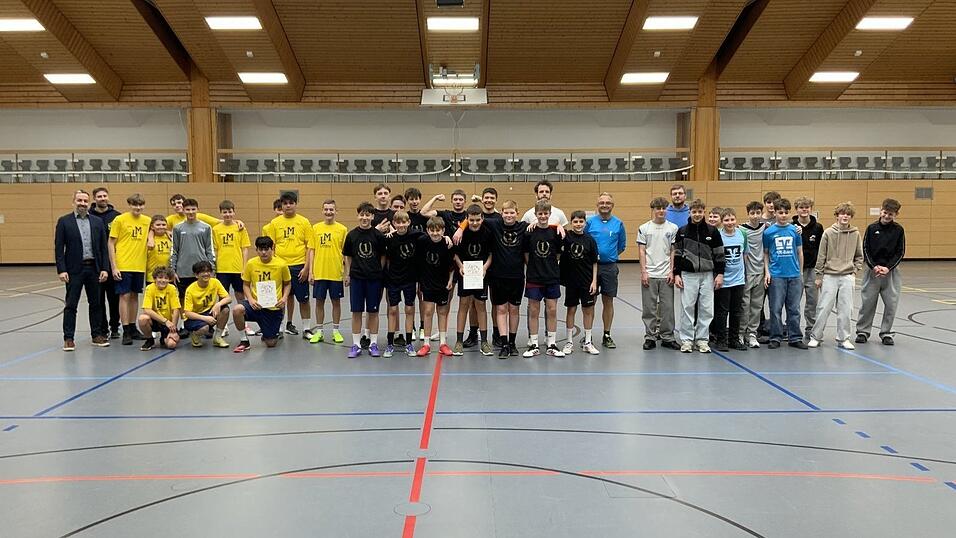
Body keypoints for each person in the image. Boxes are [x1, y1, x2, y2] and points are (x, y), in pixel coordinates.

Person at [55, 189, 110, 351]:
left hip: (94, 268)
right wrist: (61, 269)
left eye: (85, 201)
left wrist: (105, 269)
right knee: (71, 305)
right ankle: (69, 338)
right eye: (79, 200)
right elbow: (59, 248)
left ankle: (97, 335)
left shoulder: (97, 222)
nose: (82, 204)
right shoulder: (64, 221)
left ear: (89, 202)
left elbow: (103, 248)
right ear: (73, 202)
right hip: (73, 270)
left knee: (96, 304)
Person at [808, 202, 864, 349]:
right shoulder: (828, 233)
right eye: (842, 213)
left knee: (846, 309)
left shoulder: (855, 234)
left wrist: (854, 271)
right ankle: (816, 337)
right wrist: (819, 276)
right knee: (824, 307)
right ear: (837, 216)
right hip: (829, 276)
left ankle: (844, 338)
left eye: (848, 214)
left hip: (847, 276)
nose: (845, 216)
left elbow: (859, 255)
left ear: (851, 217)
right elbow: (821, 256)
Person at [673, 199, 724, 353]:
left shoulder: (712, 231)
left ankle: (702, 340)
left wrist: (720, 274)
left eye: (700, 212)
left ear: (704, 212)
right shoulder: (682, 231)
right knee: (687, 307)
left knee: (707, 309)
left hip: (707, 275)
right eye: (694, 212)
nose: (697, 214)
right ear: (690, 212)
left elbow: (720, 254)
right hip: (688, 275)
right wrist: (676, 274)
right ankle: (687, 340)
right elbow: (677, 254)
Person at [856, 198, 906, 345]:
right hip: (872, 271)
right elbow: (865, 249)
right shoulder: (872, 228)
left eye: (890, 214)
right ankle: (863, 331)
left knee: (891, 304)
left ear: (896, 214)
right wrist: (874, 266)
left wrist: (888, 268)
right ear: (881, 210)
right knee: (868, 303)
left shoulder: (898, 230)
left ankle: (886, 333)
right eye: (885, 213)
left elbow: (900, 252)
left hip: (891, 272)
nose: (886, 216)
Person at [343, 202, 388, 358]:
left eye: (367, 215)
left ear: (372, 217)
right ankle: (355, 345)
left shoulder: (379, 236)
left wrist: (378, 271)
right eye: (362, 214)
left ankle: (373, 343)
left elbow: (383, 256)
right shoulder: (351, 235)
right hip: (357, 279)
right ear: (358, 216)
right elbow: (347, 256)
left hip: (374, 279)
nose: (364, 217)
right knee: (356, 311)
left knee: (373, 311)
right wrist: (348, 274)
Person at [266, 191, 314, 337]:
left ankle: (306, 328)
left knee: (303, 299)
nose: (288, 206)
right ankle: (279, 328)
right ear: (281, 205)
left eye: (291, 203)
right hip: (280, 266)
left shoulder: (304, 222)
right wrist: (274, 266)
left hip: (299, 266)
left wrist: (306, 268)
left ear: (295, 204)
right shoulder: (274, 223)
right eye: (285, 203)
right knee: (280, 299)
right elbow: (271, 247)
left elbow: (310, 246)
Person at [233, 236, 292, 352]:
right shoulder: (251, 263)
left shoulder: (281, 264)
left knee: (271, 343)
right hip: (256, 305)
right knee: (237, 309)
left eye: (266, 249)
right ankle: (244, 340)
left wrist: (284, 298)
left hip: (272, 308)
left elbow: (287, 283)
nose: (264, 252)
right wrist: (250, 300)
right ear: (257, 250)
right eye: (261, 249)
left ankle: (266, 330)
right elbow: (245, 284)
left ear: (272, 249)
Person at [763, 198, 807, 350]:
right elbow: (766, 254)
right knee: (775, 308)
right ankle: (775, 337)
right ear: (774, 213)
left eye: (786, 212)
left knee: (794, 308)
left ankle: (795, 337)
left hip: (794, 275)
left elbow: (800, 252)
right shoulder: (768, 232)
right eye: (780, 212)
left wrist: (800, 273)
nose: (783, 215)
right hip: (777, 276)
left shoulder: (795, 230)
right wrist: (767, 272)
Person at [585, 192, 627, 349]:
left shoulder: (618, 224)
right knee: (590, 302)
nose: (604, 205)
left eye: (607, 202)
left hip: (609, 267)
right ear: (597, 205)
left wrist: (609, 255)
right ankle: (588, 336)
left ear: (612, 205)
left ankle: (606, 334)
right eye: (601, 202)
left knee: (608, 301)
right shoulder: (590, 223)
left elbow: (621, 246)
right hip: (590, 268)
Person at [523, 200, 564, 357]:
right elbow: (526, 253)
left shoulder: (555, 232)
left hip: (552, 276)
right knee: (534, 310)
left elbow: (558, 254)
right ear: (535, 215)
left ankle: (552, 343)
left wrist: (551, 265)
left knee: (552, 309)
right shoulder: (529, 232)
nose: (543, 216)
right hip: (534, 276)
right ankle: (533, 344)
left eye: (545, 213)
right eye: (540, 214)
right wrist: (533, 266)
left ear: (549, 214)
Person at [108, 193, 150, 345]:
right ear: (129, 205)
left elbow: (157, 229)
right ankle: (125, 329)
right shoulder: (120, 220)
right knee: (124, 296)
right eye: (134, 205)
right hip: (123, 264)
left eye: (140, 205)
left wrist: (151, 237)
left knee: (134, 296)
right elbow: (111, 243)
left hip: (139, 265)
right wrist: (114, 266)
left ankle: (133, 327)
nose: (138, 208)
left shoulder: (147, 220)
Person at [637, 197, 679, 351]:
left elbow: (674, 250)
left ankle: (668, 337)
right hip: (650, 274)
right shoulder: (644, 228)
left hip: (666, 274)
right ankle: (650, 337)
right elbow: (642, 250)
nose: (661, 211)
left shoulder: (673, 228)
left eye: (663, 208)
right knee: (649, 308)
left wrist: (671, 271)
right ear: (653, 210)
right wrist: (644, 272)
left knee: (668, 308)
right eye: (657, 208)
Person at [452, 205, 494, 356]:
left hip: (481, 273)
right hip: (466, 273)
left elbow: (491, 254)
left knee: (481, 305)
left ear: (482, 218)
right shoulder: (461, 233)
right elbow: (455, 254)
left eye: (477, 220)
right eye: (471, 220)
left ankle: (484, 342)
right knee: (464, 304)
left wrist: (485, 268)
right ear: (467, 219)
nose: (475, 223)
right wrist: (460, 265)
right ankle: (458, 341)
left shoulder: (488, 233)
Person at [487, 200, 526, 359]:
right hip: (498, 276)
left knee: (514, 310)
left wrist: (558, 226)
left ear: (517, 213)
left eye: (512, 212)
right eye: (506, 212)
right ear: (501, 213)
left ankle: (512, 343)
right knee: (501, 309)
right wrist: (460, 230)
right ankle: (503, 343)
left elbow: (545, 222)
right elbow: (472, 218)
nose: (509, 215)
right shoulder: (495, 224)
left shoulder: (523, 227)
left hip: (516, 276)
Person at [307, 199, 348, 345]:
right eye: (326, 209)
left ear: (336, 211)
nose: (329, 212)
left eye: (331, 209)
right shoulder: (316, 228)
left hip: (336, 272)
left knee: (336, 302)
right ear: (322, 211)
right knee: (319, 302)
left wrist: (346, 273)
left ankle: (336, 331)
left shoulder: (342, 229)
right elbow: (311, 251)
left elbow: (346, 254)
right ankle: (319, 331)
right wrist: (311, 272)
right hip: (320, 272)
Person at [383, 210, 422, 357]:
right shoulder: (389, 239)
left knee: (409, 310)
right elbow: (385, 259)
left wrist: (445, 237)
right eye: (398, 222)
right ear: (394, 223)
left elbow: (432, 237)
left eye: (404, 222)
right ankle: (390, 344)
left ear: (409, 222)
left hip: (410, 280)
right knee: (392, 310)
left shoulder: (416, 235)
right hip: (393, 280)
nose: (401, 225)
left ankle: (409, 344)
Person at [415, 216, 455, 357]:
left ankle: (443, 343)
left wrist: (450, 280)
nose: (435, 233)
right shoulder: (421, 241)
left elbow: (452, 265)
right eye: (432, 230)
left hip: (443, 283)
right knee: (428, 312)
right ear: (427, 230)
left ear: (443, 230)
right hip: (427, 283)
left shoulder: (447, 244)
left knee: (442, 312)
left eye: (438, 230)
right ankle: (426, 344)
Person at [561, 210, 600, 356]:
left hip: (587, 281)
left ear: (585, 223)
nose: (578, 224)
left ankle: (588, 342)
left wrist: (594, 281)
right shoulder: (566, 237)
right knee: (571, 310)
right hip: (571, 282)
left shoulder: (590, 240)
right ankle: (569, 341)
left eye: (581, 221)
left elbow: (595, 263)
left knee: (587, 310)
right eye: (575, 222)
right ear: (571, 223)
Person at [212, 200, 251, 337]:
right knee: (223, 297)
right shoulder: (216, 229)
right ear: (221, 213)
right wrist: (214, 267)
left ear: (234, 212)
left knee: (241, 296)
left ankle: (245, 324)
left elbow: (245, 248)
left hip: (237, 268)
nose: (227, 214)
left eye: (230, 211)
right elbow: (215, 250)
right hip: (222, 269)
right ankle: (222, 327)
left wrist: (244, 267)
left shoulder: (240, 228)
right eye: (224, 212)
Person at [169, 198, 216, 306]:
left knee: (201, 297)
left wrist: (211, 269)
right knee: (183, 298)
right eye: (188, 209)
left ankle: (201, 321)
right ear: (184, 210)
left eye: (193, 209)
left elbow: (210, 249)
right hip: (183, 271)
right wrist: (173, 270)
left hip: (201, 270)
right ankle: (185, 322)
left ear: (197, 209)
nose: (190, 212)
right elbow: (174, 250)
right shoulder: (177, 228)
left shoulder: (206, 228)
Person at [713, 208, 747, 352]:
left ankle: (734, 339)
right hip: (724, 280)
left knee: (736, 311)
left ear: (736, 220)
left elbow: (744, 255)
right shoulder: (718, 235)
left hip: (738, 280)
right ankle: (721, 340)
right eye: (726, 220)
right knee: (722, 311)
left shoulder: (741, 234)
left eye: (732, 219)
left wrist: (744, 274)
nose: (730, 222)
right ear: (722, 221)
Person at [91, 187, 121, 339]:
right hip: (95, 265)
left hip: (113, 264)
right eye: (99, 196)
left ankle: (115, 327)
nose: (102, 198)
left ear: (108, 197)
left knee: (114, 298)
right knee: (98, 299)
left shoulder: (117, 217)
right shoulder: (89, 216)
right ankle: (103, 328)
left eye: (104, 195)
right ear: (94, 198)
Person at [182, 260, 231, 348]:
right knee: (204, 328)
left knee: (225, 310)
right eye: (203, 272)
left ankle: (218, 338)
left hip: (208, 311)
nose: (206, 274)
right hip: (194, 317)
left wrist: (218, 304)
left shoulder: (215, 282)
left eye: (208, 271)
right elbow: (187, 313)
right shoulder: (190, 290)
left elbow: (228, 298)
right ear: (196, 275)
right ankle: (195, 334)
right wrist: (205, 318)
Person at [793, 197, 823, 337]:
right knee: (794, 302)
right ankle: (793, 329)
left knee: (812, 302)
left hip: (812, 270)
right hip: (795, 269)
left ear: (811, 209)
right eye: (801, 207)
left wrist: (820, 272)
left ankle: (810, 329)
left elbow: (821, 249)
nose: (804, 210)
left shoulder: (818, 227)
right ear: (796, 209)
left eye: (807, 207)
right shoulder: (791, 226)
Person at [740, 201, 767, 348]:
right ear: (748, 214)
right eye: (752, 213)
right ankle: (740, 333)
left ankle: (752, 334)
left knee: (757, 305)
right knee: (745, 305)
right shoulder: (741, 230)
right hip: (746, 273)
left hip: (760, 272)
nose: (755, 216)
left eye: (758, 213)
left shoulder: (766, 228)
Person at [137, 266, 181, 351]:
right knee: (143, 318)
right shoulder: (150, 288)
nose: (163, 280)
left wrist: (173, 329)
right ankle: (149, 340)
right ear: (154, 278)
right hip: (156, 320)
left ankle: (164, 338)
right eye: (160, 277)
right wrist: (165, 321)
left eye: (166, 278)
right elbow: (147, 309)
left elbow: (176, 310)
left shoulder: (172, 288)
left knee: (171, 345)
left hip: (168, 323)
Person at [145, 215, 172, 287]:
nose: (161, 226)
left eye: (163, 225)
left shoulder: (170, 237)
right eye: (158, 225)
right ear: (152, 227)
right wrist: (150, 236)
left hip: (168, 276)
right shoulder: (148, 238)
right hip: (152, 277)